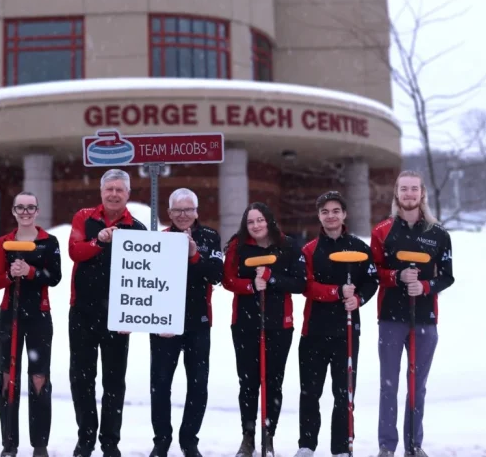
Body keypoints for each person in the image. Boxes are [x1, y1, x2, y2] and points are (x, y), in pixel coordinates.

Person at [371, 170, 454, 457]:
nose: (409, 194)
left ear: (422, 193)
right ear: (396, 193)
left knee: (417, 386)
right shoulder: (382, 231)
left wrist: (426, 286)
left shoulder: (438, 234)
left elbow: (447, 276)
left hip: (425, 320)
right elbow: (373, 272)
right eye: (404, 189)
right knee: (389, 385)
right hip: (391, 318)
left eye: (414, 189)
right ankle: (386, 446)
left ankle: (414, 445)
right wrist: (397, 277)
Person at [293, 191, 379, 457]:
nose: (330, 216)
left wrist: (358, 298)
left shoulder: (359, 248)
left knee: (344, 393)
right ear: (319, 216)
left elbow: (372, 280)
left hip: (347, 331)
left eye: (335, 211)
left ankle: (341, 447)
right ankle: (307, 445)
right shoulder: (309, 250)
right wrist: (336, 292)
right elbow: (306, 286)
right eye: (325, 212)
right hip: (314, 331)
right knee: (310, 392)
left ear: (344, 214)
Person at [68, 169, 147, 457]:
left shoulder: (137, 228)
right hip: (83, 312)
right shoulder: (84, 218)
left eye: (119, 189)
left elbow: (145, 276)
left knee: (114, 381)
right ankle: (86, 438)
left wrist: (134, 313)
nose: (114, 194)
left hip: (118, 316)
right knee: (82, 378)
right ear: (101, 192)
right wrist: (98, 241)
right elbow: (75, 251)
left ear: (128, 194)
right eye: (109, 189)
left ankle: (110, 442)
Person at [221, 202, 306, 457]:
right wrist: (250, 286)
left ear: (269, 221)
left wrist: (272, 278)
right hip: (245, 323)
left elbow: (300, 283)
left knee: (273, 382)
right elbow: (227, 279)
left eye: (260, 220)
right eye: (250, 222)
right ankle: (248, 436)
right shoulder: (237, 246)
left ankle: (268, 436)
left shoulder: (287, 245)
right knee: (248, 382)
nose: (256, 225)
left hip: (279, 324)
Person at [149, 188, 223, 457]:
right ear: (169, 213)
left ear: (196, 212)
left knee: (198, 384)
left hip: (197, 322)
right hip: (164, 324)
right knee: (160, 385)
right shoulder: (159, 239)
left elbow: (216, 275)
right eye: (178, 210)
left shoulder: (210, 237)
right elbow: (145, 282)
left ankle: (189, 440)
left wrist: (193, 255)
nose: (183, 215)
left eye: (188, 209)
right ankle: (162, 440)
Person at [0, 191, 62, 457]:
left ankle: (39, 444)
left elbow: (54, 276)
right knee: (7, 377)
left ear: (37, 211)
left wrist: (30, 272)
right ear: (13, 211)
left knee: (39, 378)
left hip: (38, 316)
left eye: (30, 208)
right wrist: (11, 275)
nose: (25, 212)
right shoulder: (4, 243)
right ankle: (9, 443)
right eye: (20, 208)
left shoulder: (48, 241)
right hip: (10, 315)